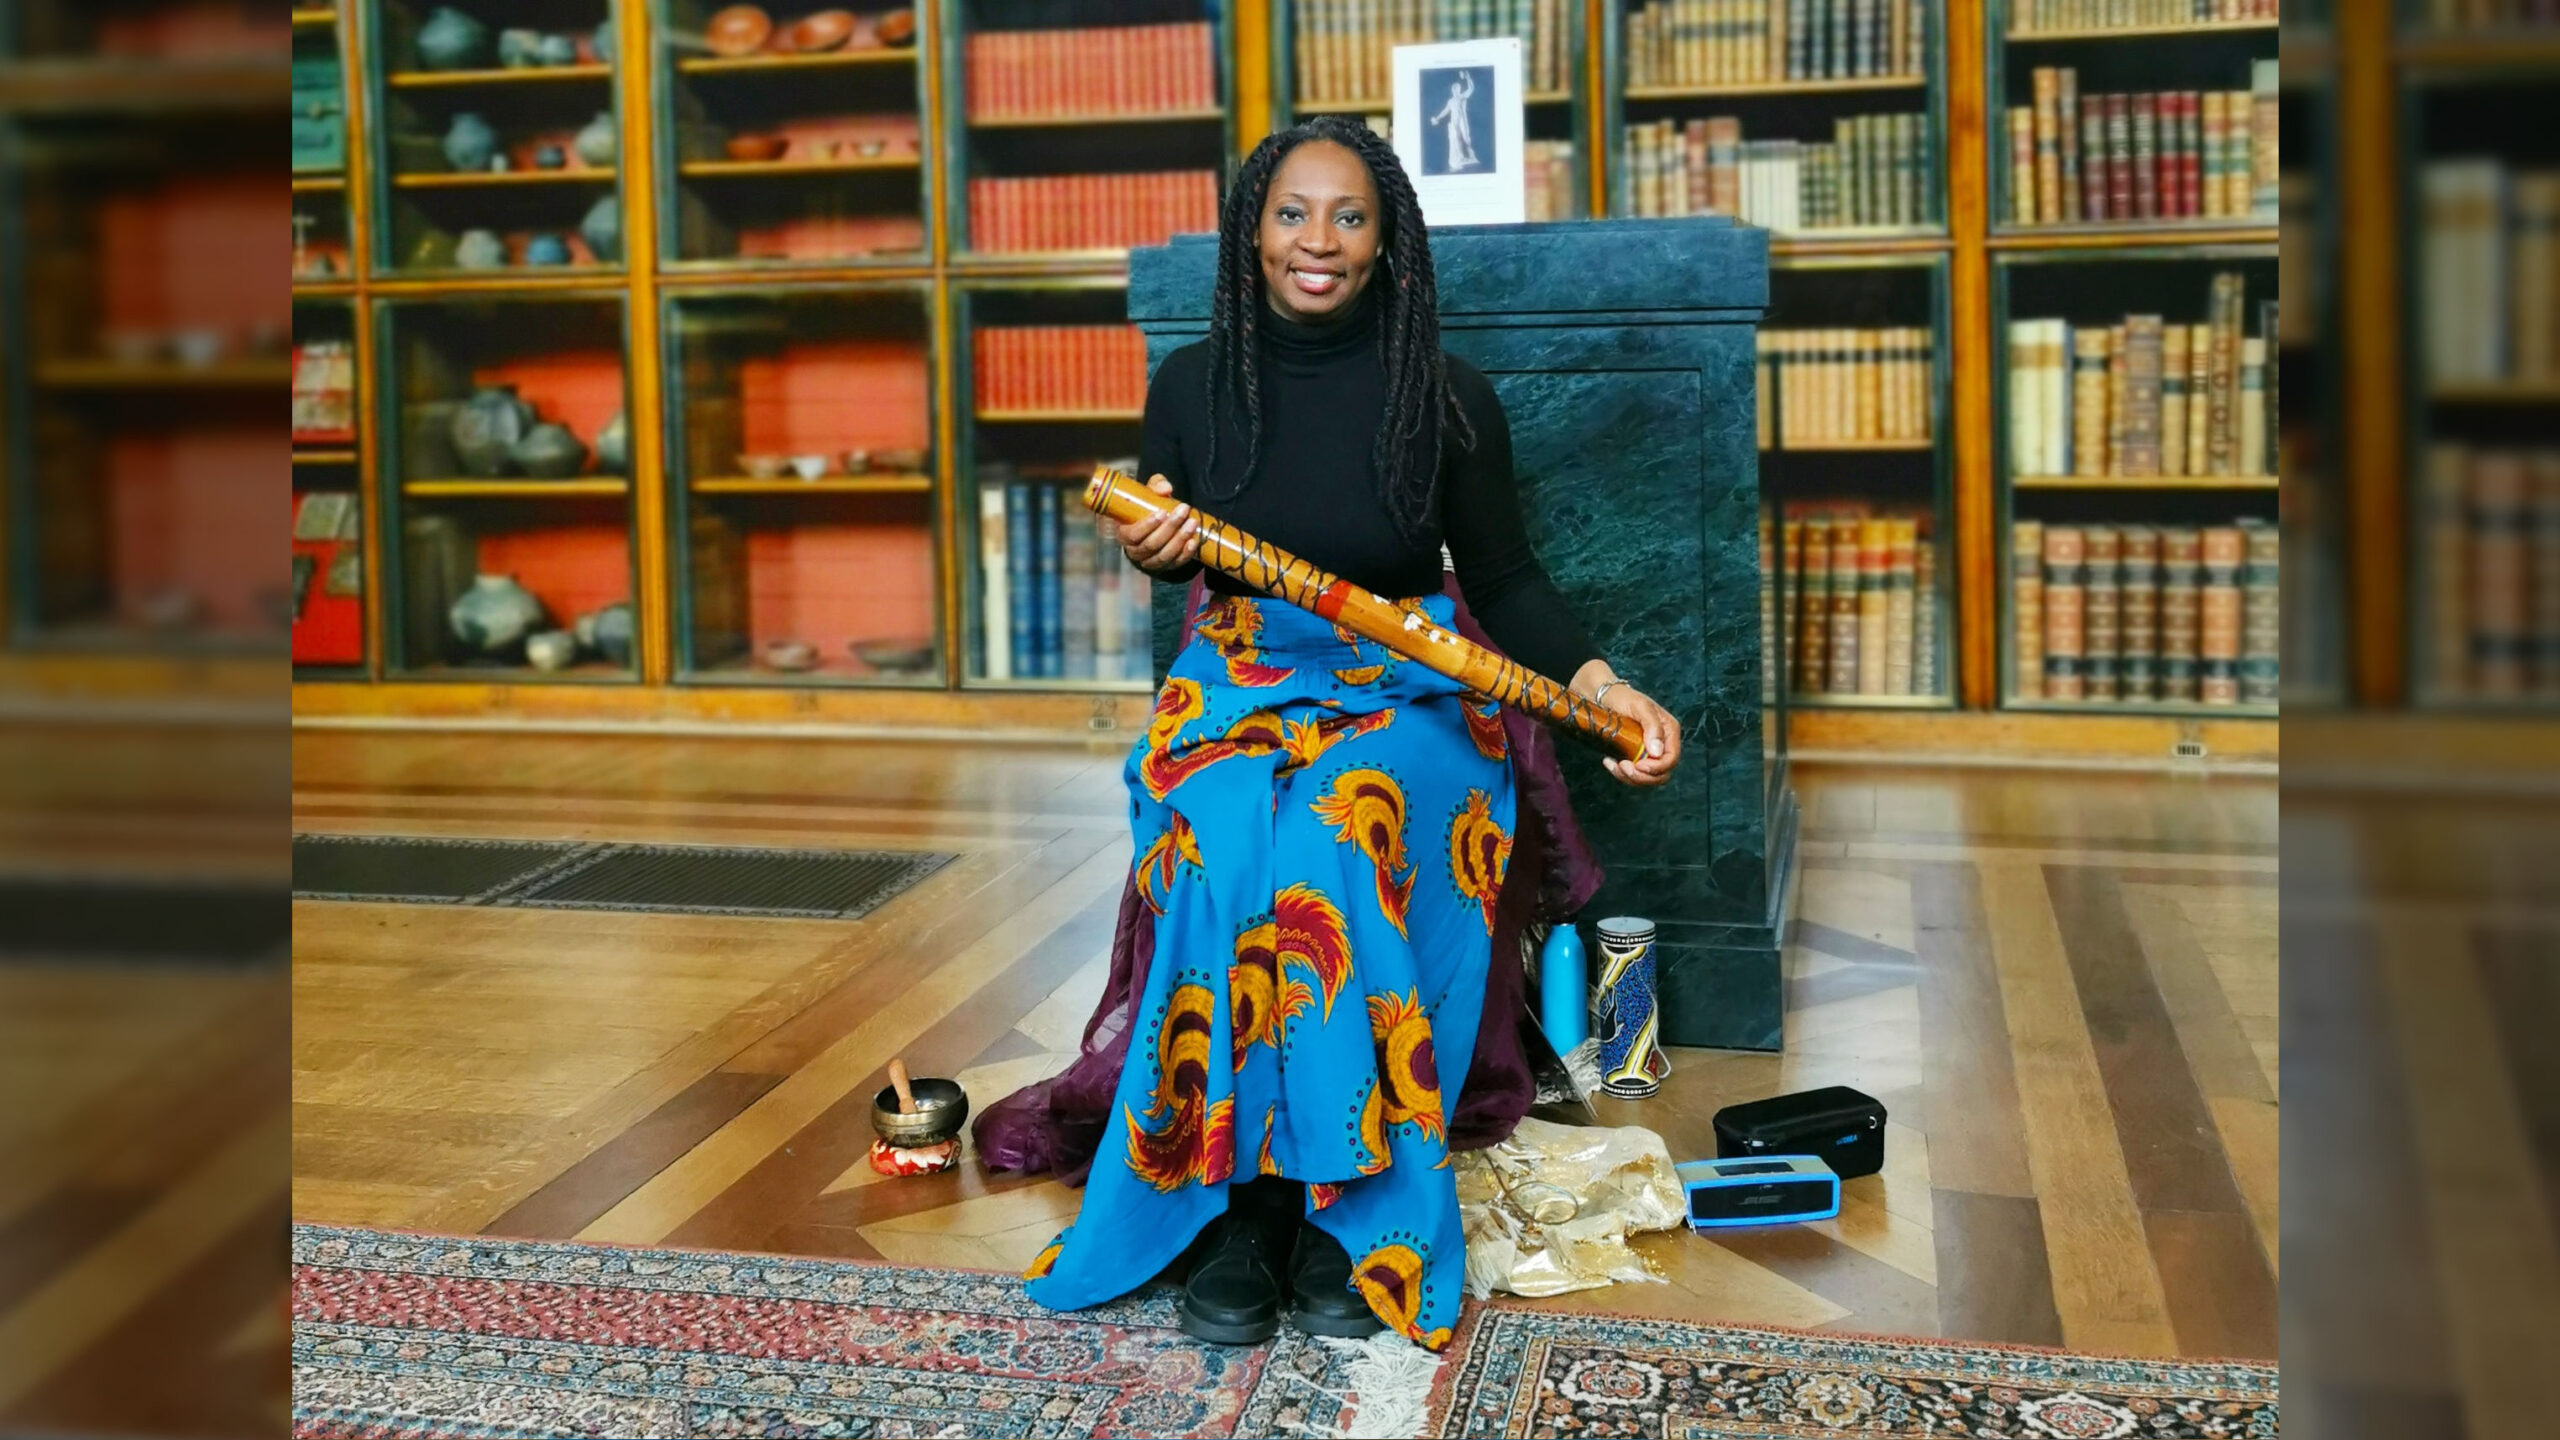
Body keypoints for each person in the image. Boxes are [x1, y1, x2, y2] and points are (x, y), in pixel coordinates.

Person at [1018, 116, 1681, 1351]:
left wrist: (1604, 681)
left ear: (1389, 244)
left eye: (1348, 217)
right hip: (1236, 687)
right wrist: (1148, 548)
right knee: (1219, 850)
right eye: (1290, 214)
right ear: (1251, 232)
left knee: (1332, 839)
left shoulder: (1448, 397)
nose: (1316, 241)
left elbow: (1511, 579)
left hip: (1408, 695)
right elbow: (1186, 580)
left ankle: (1349, 1204)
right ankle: (1244, 1201)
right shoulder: (1187, 387)